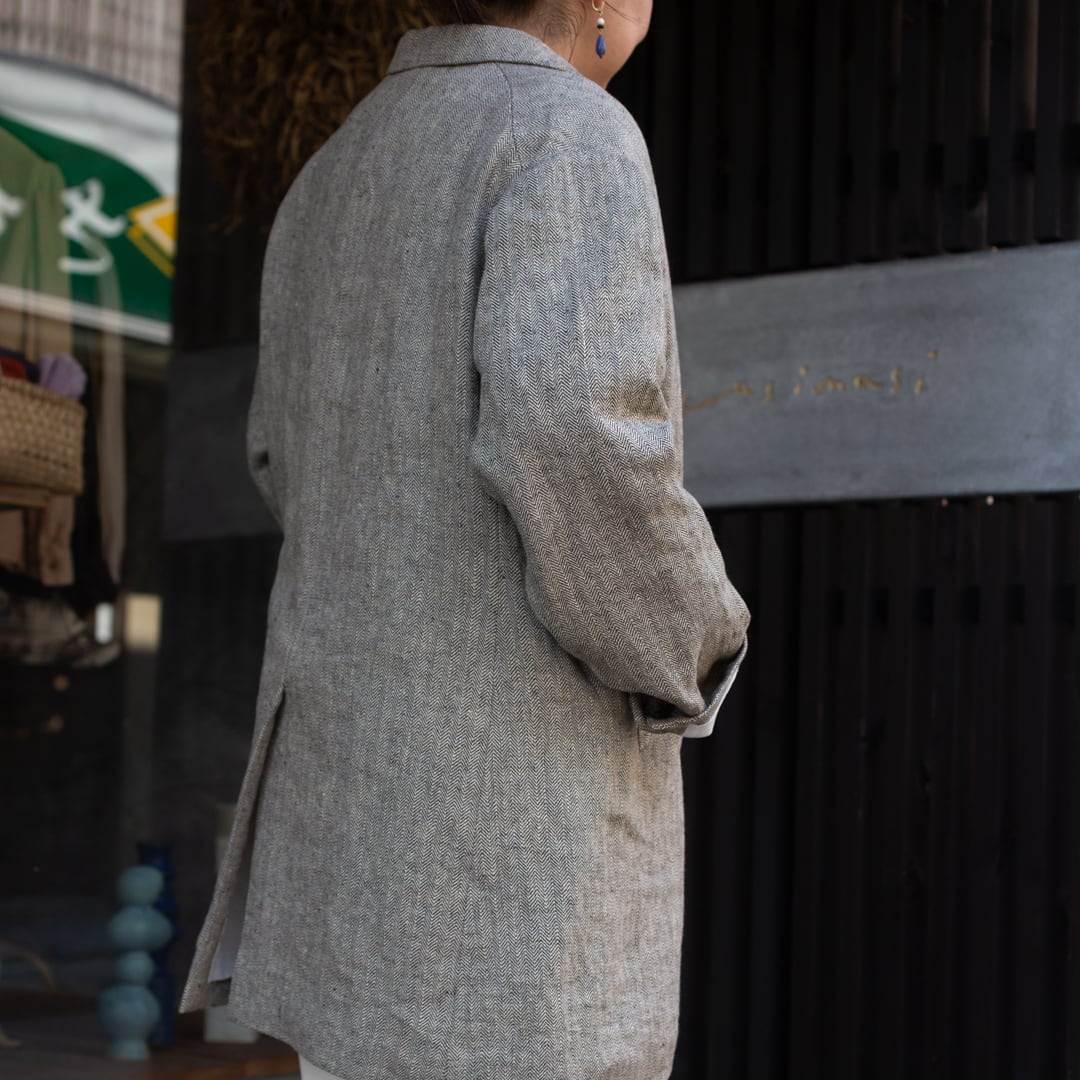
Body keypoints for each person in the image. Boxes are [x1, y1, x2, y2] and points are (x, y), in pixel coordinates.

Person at [178, 1, 752, 1077]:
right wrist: (696, 642)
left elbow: (275, 454)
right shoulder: (568, 131)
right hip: (510, 861)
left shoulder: (331, 173)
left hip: (347, 843)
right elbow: (574, 438)